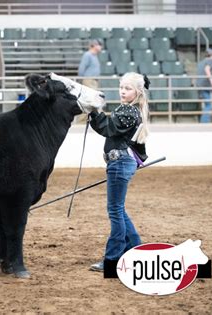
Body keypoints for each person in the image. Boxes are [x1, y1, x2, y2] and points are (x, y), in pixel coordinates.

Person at [88, 72, 150, 272]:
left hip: (119, 163)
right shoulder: (132, 110)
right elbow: (109, 128)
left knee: (115, 210)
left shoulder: (128, 111)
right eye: (122, 87)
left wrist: (95, 111)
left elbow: (107, 128)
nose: (123, 92)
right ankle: (136, 250)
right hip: (120, 163)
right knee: (118, 209)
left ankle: (113, 259)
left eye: (128, 88)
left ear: (137, 91)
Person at [196, 48, 212, 123]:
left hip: (200, 85)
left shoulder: (201, 62)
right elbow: (207, 70)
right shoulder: (210, 61)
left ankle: (204, 121)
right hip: (205, 86)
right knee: (208, 105)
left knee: (207, 104)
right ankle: (204, 122)